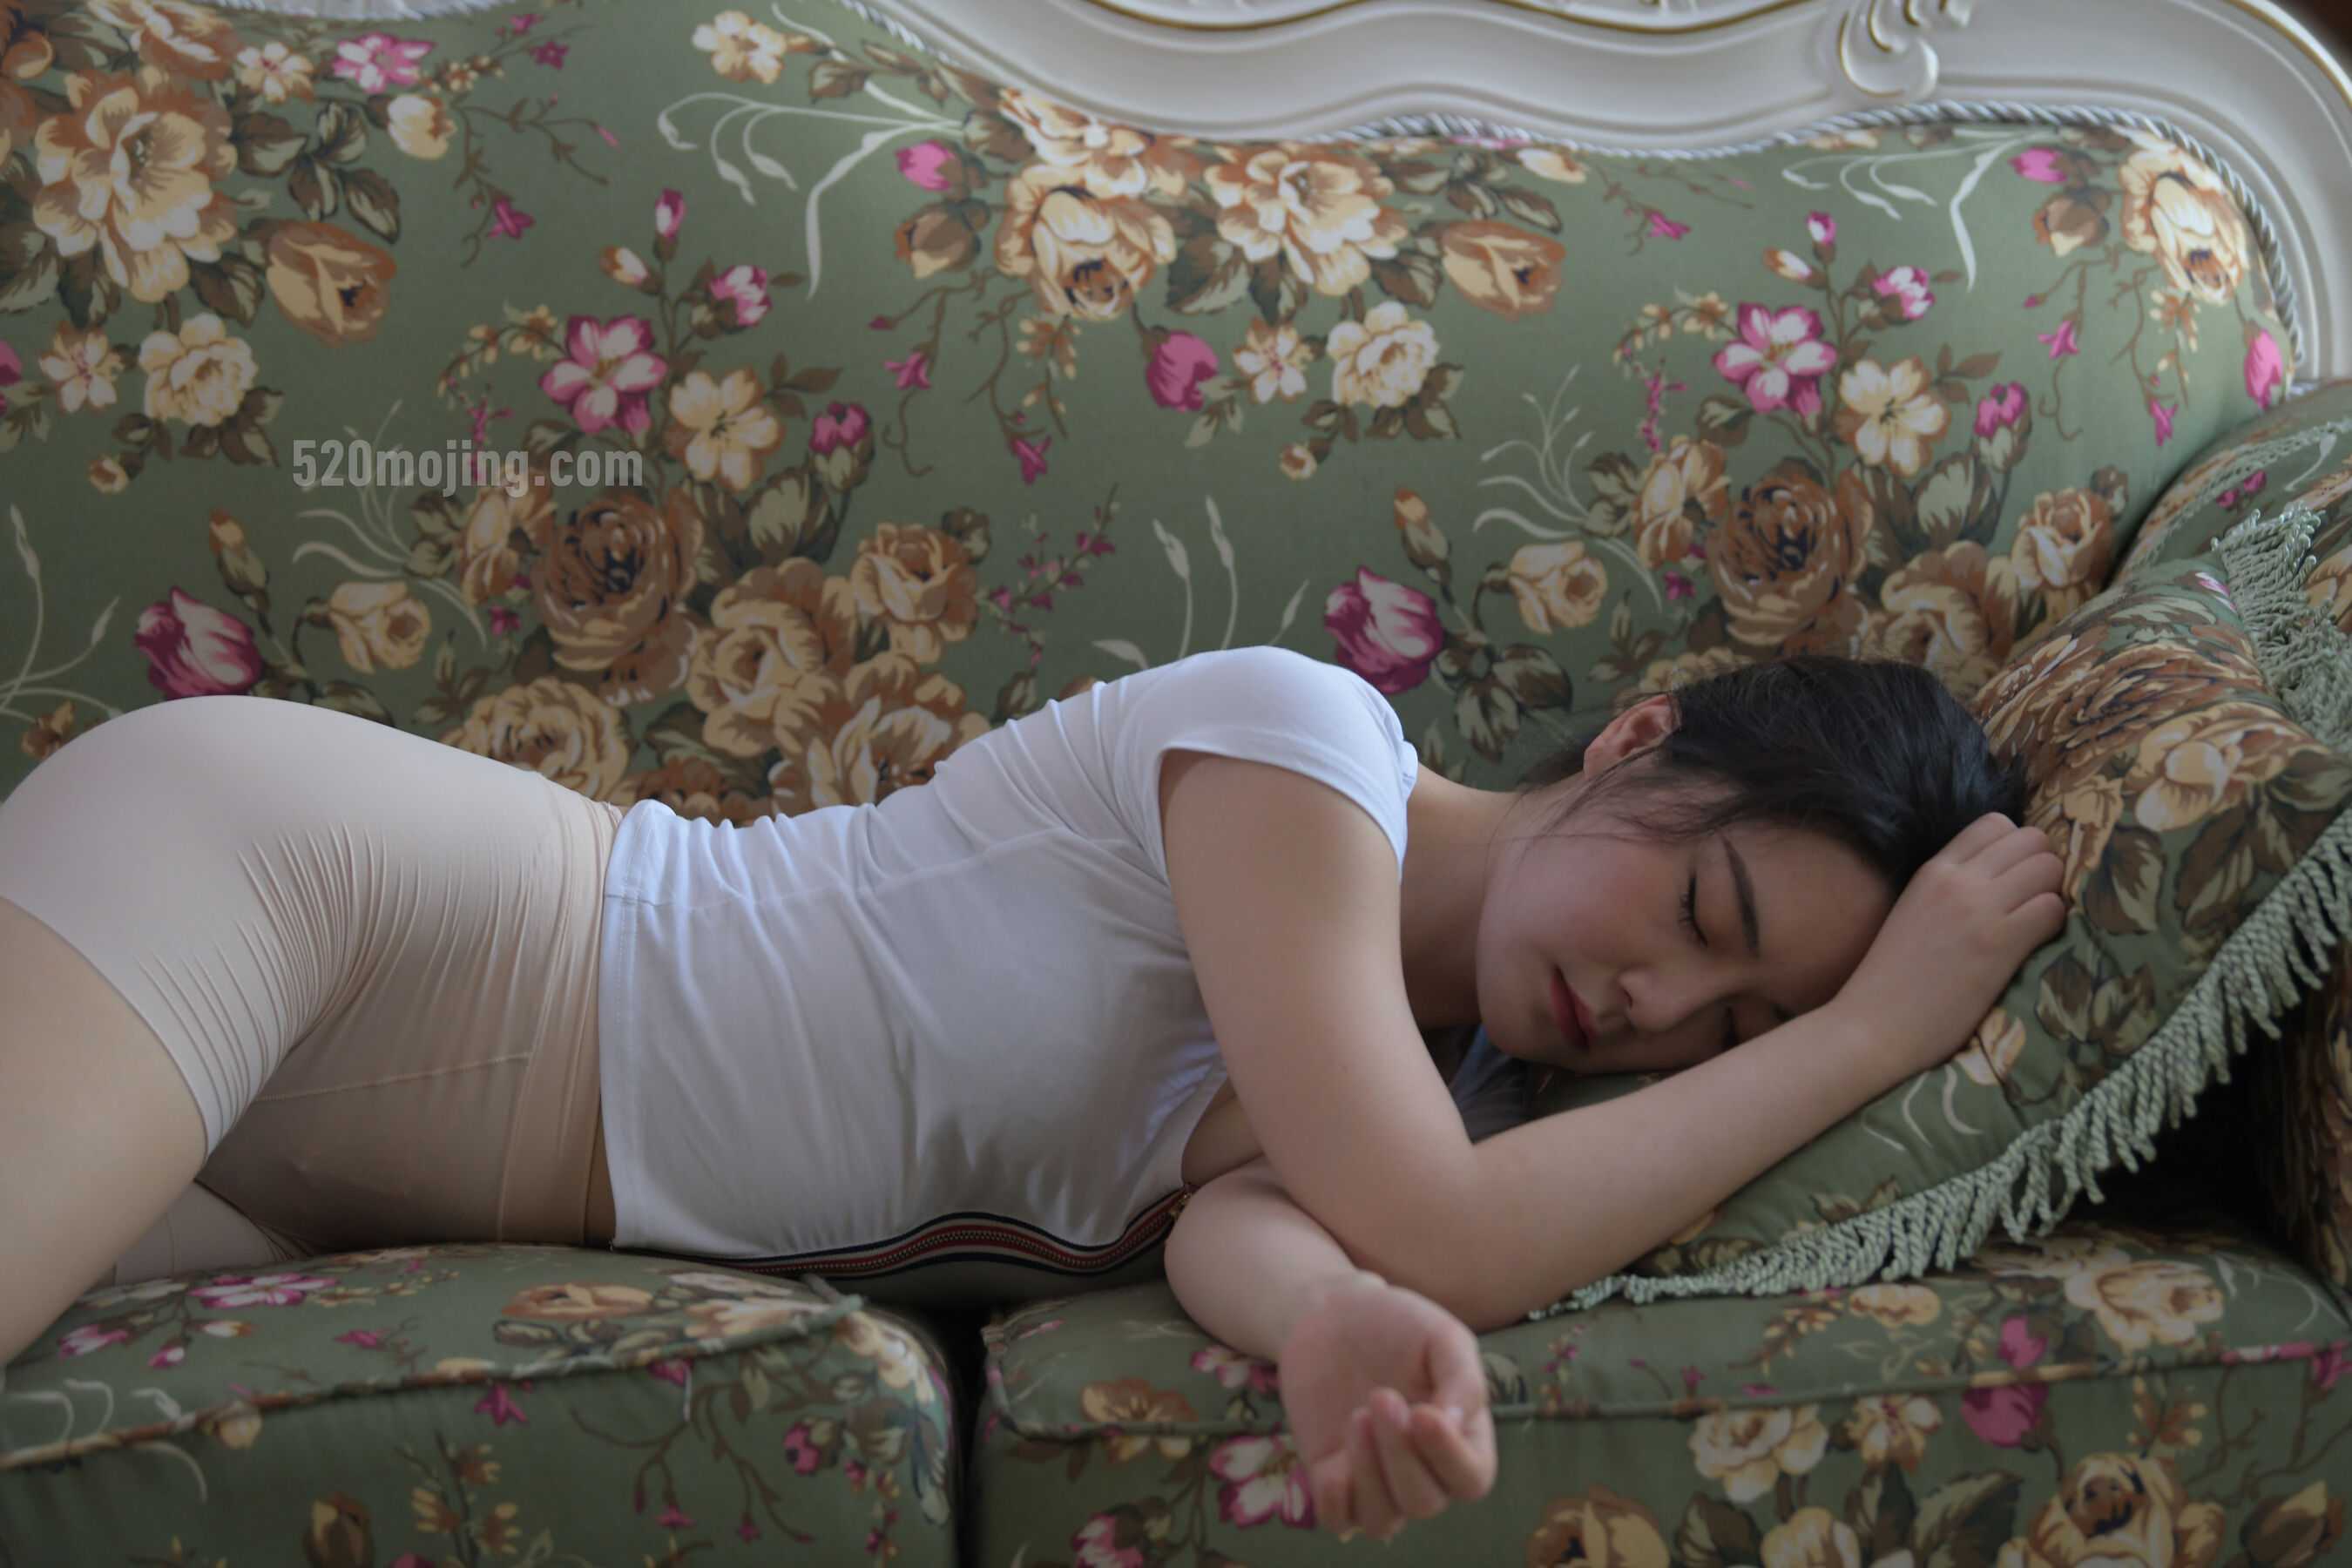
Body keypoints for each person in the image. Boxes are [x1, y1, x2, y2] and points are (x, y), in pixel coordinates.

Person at [0, 645, 2053, 1415]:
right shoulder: (1303, 755)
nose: (1657, 1007)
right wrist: (1866, 1034)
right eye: (1704, 916)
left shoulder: (1415, 1087)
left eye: (1727, 1026)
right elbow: (1445, 1231)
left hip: (330, 1176)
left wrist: (1330, 1335)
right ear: (1636, 738)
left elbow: (1259, 1238)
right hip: (315, 905)